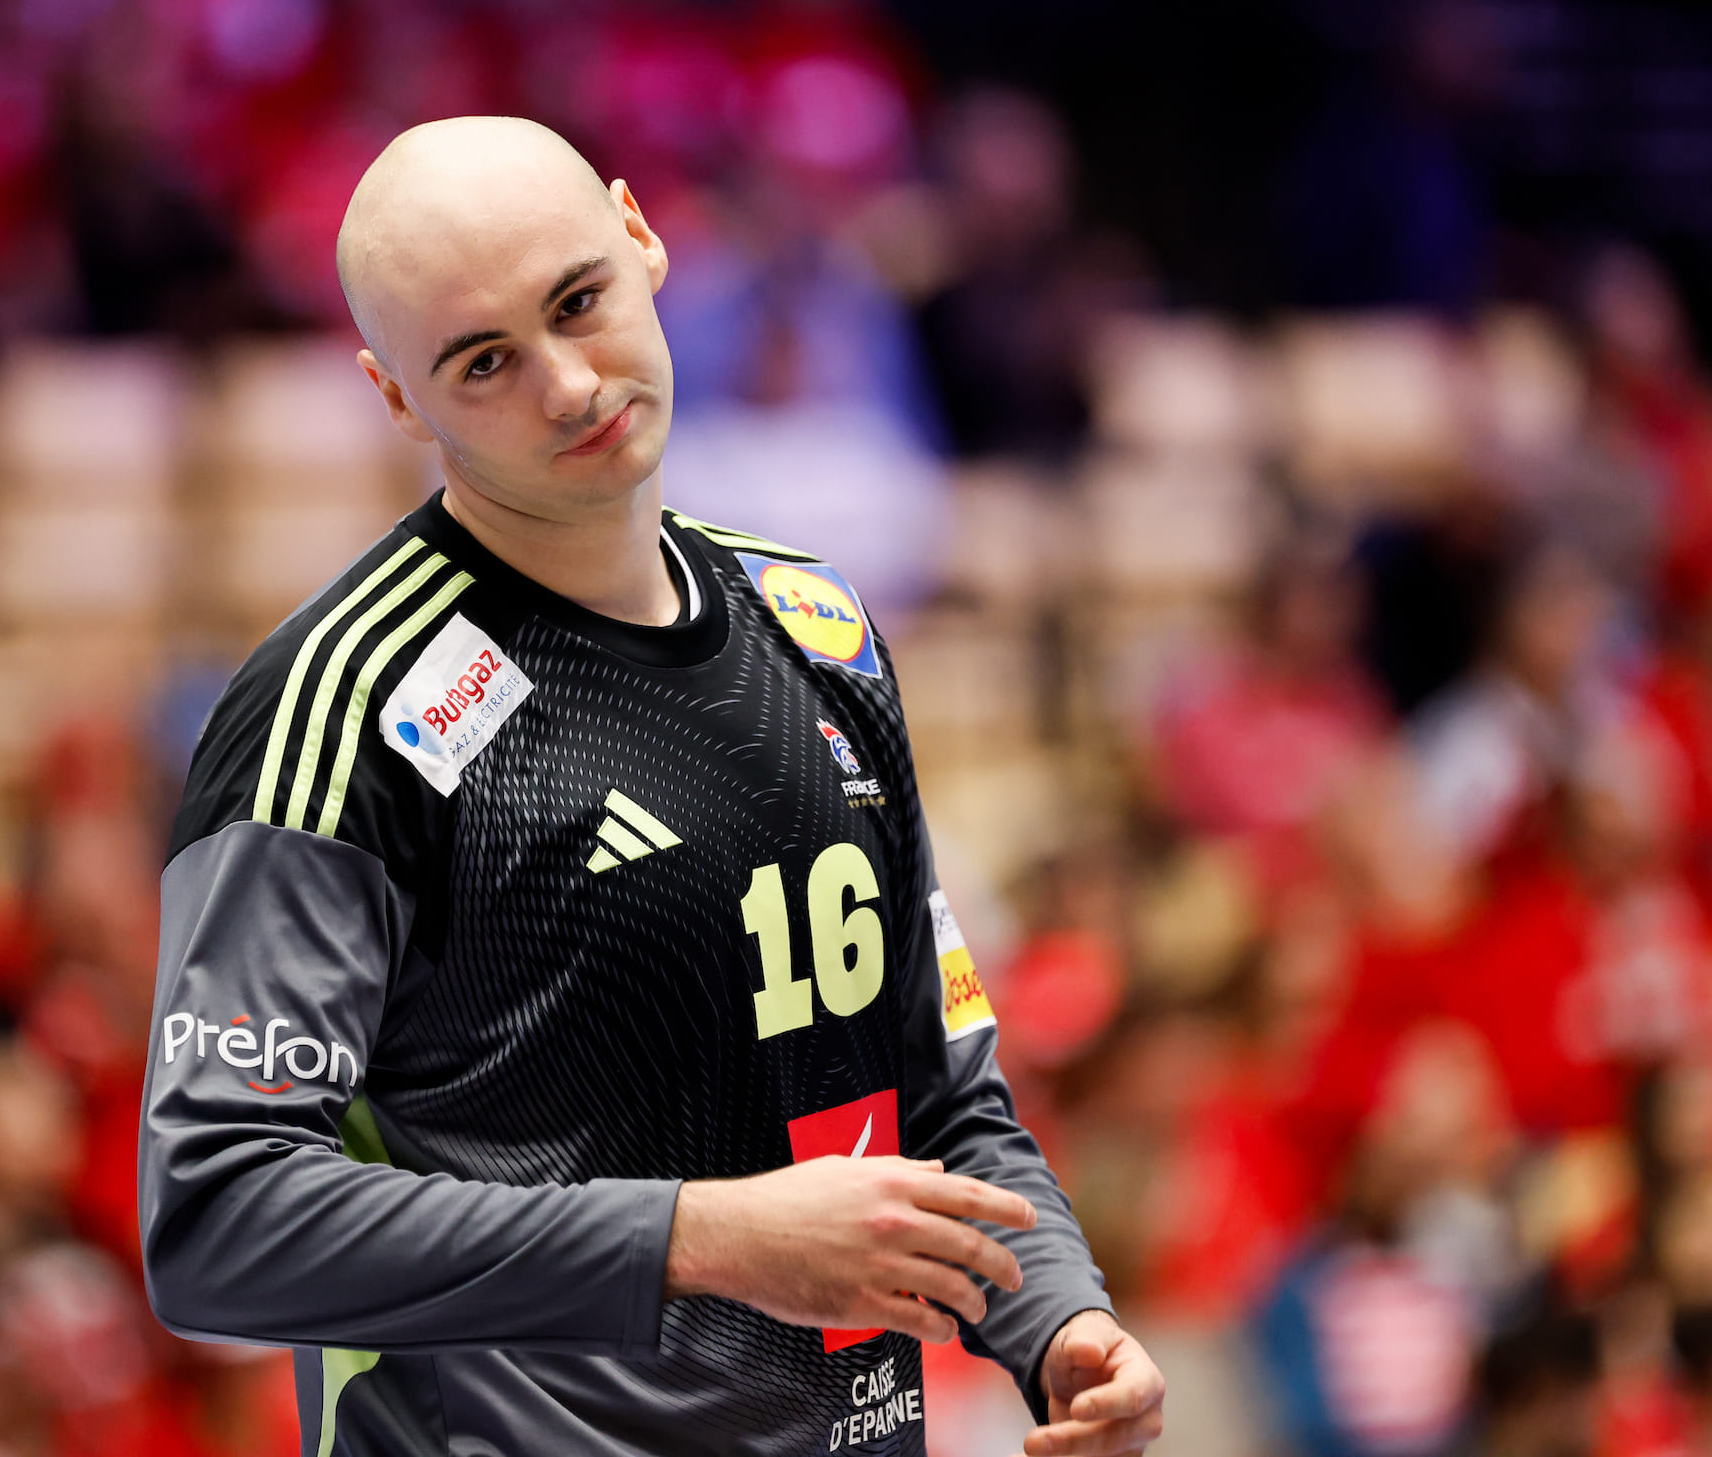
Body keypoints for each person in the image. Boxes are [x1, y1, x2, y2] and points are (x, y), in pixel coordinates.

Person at [139, 115, 1166, 1456]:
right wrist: (698, 1238)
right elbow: (215, 1219)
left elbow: (939, 1091)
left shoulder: (818, 629)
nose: (570, 386)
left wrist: (1056, 1319)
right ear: (396, 396)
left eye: (579, 302)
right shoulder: (343, 710)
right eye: (485, 362)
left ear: (640, 236)